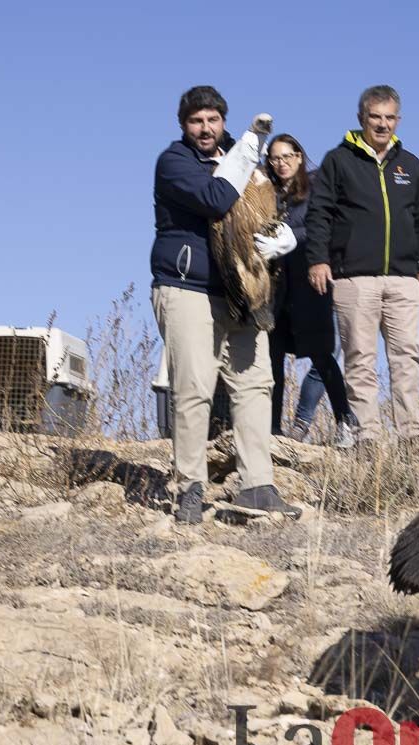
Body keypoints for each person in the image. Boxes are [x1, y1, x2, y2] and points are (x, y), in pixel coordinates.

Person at [150, 85, 302, 524]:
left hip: (243, 291)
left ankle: (257, 485)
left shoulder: (246, 161)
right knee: (194, 388)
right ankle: (190, 489)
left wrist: (288, 237)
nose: (205, 128)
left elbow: (275, 206)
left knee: (256, 386)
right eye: (196, 121)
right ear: (184, 126)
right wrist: (248, 151)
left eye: (213, 120)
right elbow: (217, 198)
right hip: (187, 286)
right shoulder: (174, 163)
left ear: (222, 121)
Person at [306, 85, 419, 445]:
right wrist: (318, 259)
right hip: (353, 278)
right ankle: (368, 439)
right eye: (375, 117)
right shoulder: (338, 160)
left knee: (407, 359)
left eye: (389, 117)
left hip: (404, 279)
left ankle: (412, 438)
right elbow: (320, 214)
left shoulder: (410, 164)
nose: (382, 124)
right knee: (360, 359)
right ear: (361, 118)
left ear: (398, 120)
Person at [263, 133, 357, 448]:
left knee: (322, 355)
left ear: (300, 156)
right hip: (277, 288)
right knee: (272, 358)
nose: (282, 163)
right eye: (275, 158)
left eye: (288, 156)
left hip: (311, 283)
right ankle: (273, 430)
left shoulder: (316, 187)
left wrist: (289, 234)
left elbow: (322, 227)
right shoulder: (267, 194)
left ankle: (345, 421)